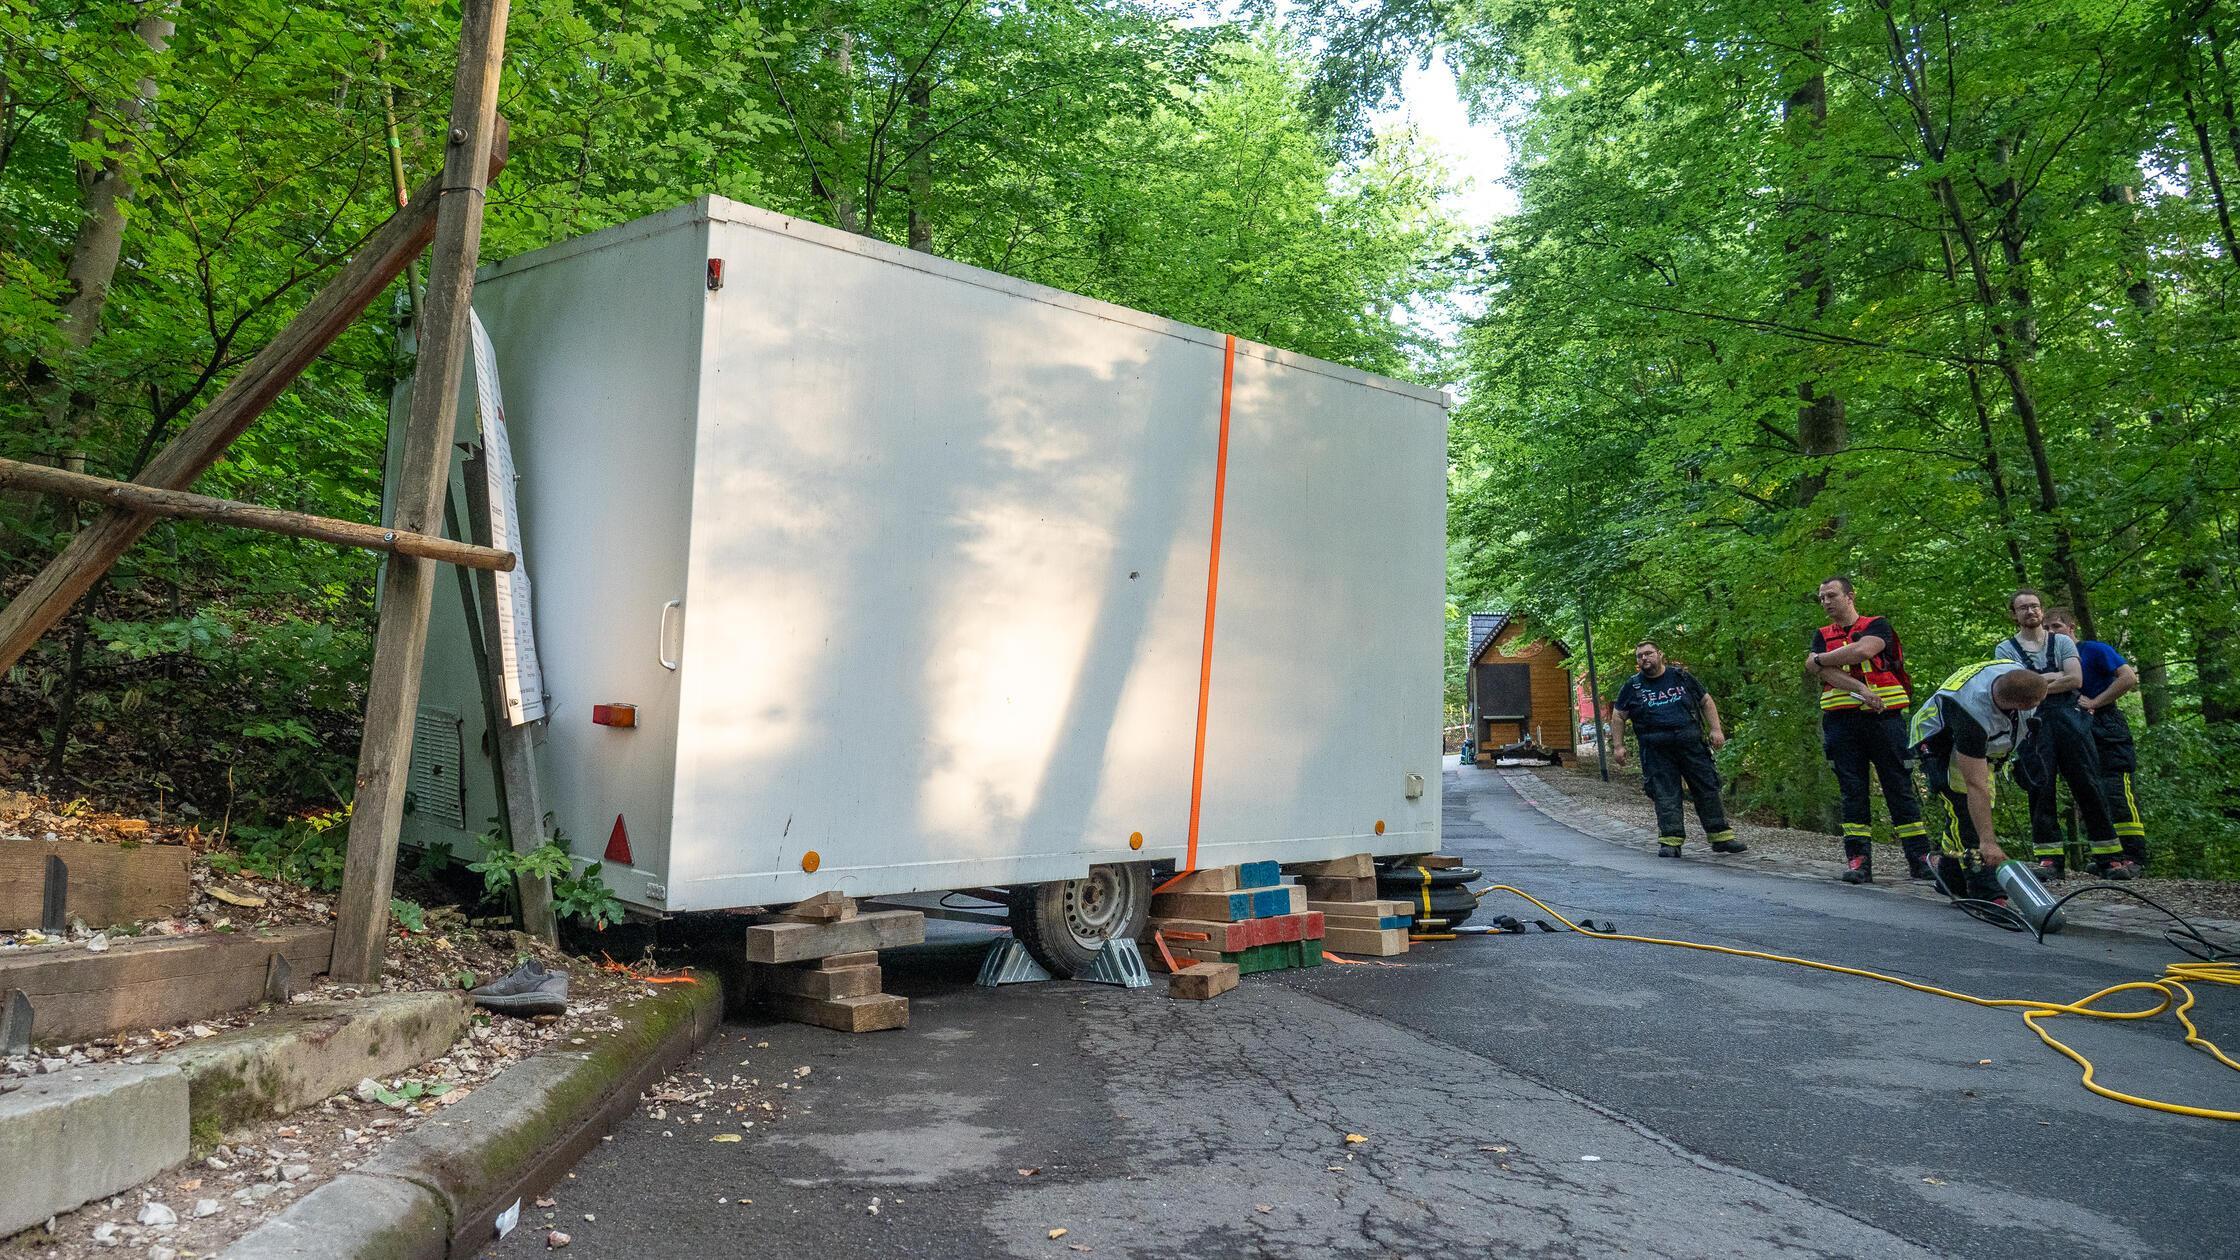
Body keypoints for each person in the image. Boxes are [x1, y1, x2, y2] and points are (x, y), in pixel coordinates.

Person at [1994, 590, 2127, 880]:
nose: (2031, 611)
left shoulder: (2063, 641)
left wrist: (2035, 683)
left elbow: (2075, 680)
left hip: (2069, 719)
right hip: (2033, 722)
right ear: (2013, 615)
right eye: (2024, 608)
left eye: (2035, 606)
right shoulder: (2004, 649)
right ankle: (2049, 859)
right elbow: (2015, 689)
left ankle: (2108, 857)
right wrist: (2055, 678)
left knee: (2088, 782)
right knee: (2040, 787)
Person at [1806, 577, 1931, 884]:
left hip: (1885, 720)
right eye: (1821, 598)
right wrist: (1860, 688)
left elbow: (1862, 652)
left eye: (1831, 595)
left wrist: (1821, 660)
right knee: (1852, 791)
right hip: (1840, 723)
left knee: (1898, 787)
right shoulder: (1821, 634)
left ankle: (1920, 860)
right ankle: (1859, 861)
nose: (1825, 602)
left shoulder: (1877, 625)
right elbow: (1822, 671)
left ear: (1850, 596)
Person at [1908, 660, 2050, 900]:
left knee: (1967, 813)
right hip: (1940, 744)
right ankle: (1987, 891)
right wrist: (1989, 842)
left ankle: (1951, 880)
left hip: (1980, 745)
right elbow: (1975, 785)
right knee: (1965, 812)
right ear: (2021, 705)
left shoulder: (2015, 672)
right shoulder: (1971, 715)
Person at [1610, 640, 1746, 858]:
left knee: (1706, 786)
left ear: (1660, 654)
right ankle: (1671, 841)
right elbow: (1618, 715)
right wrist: (1618, 746)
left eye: (1648, 653)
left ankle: (1721, 836)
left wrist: (1716, 730)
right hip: (1656, 749)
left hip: (1690, 743)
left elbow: (1706, 701)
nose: (1644, 658)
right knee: (1665, 792)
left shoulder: (1681, 677)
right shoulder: (1633, 686)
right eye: (1640, 656)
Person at [2045, 608, 2147, 877]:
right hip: (2074, 727)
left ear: (2072, 627)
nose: (2052, 633)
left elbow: (2128, 677)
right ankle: (2106, 856)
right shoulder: (2051, 661)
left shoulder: (2094, 649)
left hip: (2106, 723)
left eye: (2057, 626)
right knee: (2088, 791)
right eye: (2047, 629)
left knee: (2116, 789)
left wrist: (2095, 701)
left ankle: (2134, 856)